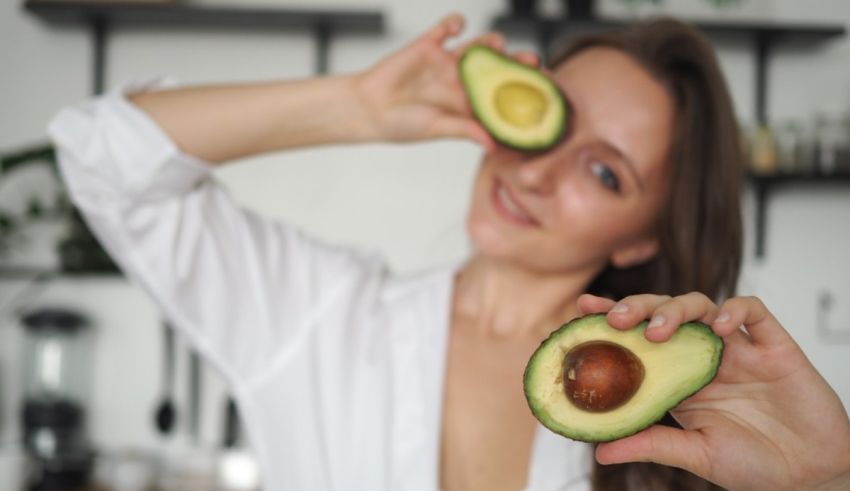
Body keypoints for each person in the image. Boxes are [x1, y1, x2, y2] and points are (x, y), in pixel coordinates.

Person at [48, 12, 850, 491]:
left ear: (645, 232)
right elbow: (100, 156)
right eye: (551, 122)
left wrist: (826, 484)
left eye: (604, 170)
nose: (534, 170)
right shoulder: (318, 314)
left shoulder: (686, 423)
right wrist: (355, 106)